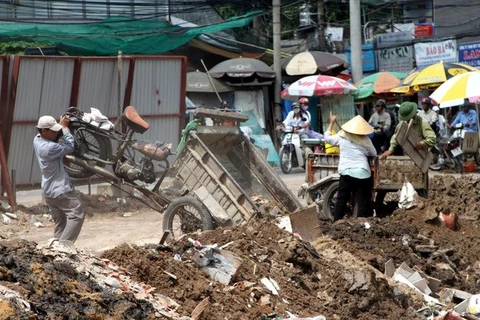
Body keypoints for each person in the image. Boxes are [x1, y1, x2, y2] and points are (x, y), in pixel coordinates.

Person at [33, 115, 85, 255]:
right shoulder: (49, 148)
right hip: (60, 189)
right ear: (44, 131)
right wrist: (65, 129)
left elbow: (54, 138)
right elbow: (70, 146)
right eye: (53, 131)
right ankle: (64, 247)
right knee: (77, 214)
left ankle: (55, 247)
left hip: (48, 191)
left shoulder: (37, 140)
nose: (57, 133)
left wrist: (59, 127)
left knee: (60, 221)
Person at [324, 113, 377, 222]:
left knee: (341, 199)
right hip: (362, 172)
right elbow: (374, 153)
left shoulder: (342, 136)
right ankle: (362, 223)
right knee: (362, 200)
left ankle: (337, 222)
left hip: (346, 171)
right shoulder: (366, 140)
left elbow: (327, 138)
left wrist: (331, 123)